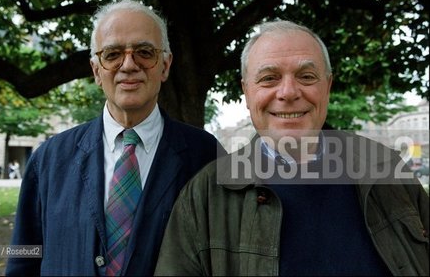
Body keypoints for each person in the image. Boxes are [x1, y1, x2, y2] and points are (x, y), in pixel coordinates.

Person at [155, 20, 429, 276]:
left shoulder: (387, 171)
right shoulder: (204, 195)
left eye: (307, 76)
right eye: (269, 78)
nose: (288, 92)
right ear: (246, 92)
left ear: (328, 86)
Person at [6, 0, 225, 276]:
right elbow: (23, 264)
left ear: (166, 66)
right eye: (112, 54)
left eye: (145, 52)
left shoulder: (207, 157)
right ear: (96, 70)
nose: (129, 65)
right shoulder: (48, 160)